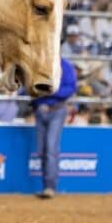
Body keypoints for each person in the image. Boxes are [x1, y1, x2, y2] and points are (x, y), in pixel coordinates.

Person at [32, 57, 77, 199]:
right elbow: (30, 88)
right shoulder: (39, 64)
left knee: (51, 149)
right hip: (40, 110)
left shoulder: (65, 66)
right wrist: (42, 95)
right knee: (42, 150)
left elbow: (70, 88)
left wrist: (50, 91)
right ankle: (46, 185)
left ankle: (50, 187)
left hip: (57, 110)